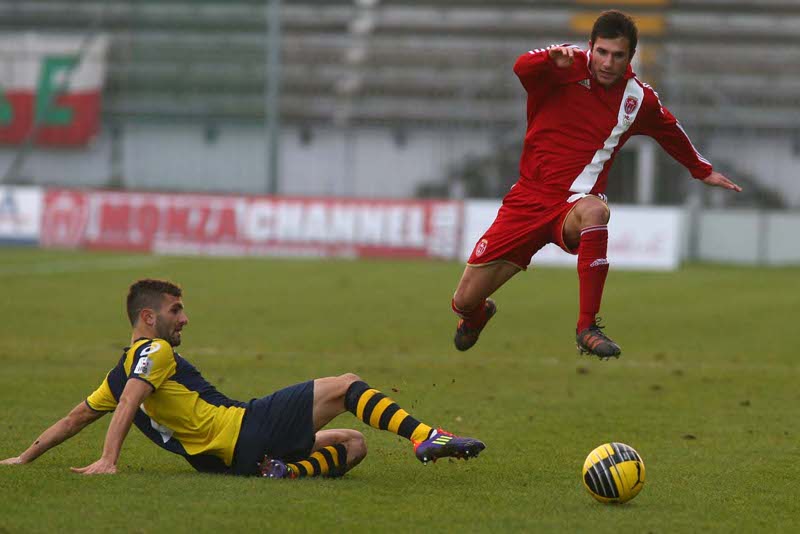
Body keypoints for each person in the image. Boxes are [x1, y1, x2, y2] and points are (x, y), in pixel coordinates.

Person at [451, 10, 741, 359]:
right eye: (602, 52)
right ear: (591, 47)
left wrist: (701, 169)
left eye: (618, 55)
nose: (607, 62)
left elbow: (670, 131)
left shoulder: (638, 100)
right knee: (464, 299)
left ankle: (586, 326)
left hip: (573, 204)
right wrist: (549, 57)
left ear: (630, 57)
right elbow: (521, 68)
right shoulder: (563, 67)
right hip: (527, 200)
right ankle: (477, 314)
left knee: (595, 211)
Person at [1, 279, 484, 478]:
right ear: (147, 318)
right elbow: (128, 401)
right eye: (175, 310)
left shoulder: (120, 371)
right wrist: (108, 459)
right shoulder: (155, 352)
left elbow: (75, 418)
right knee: (347, 384)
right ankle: (426, 437)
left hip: (228, 461)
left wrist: (25, 457)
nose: (184, 318)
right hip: (243, 428)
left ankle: (285, 472)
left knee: (354, 444)